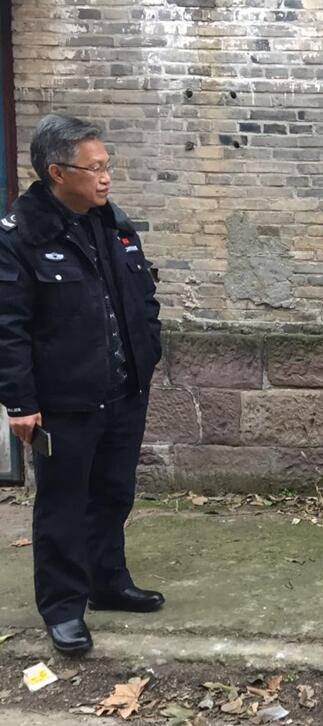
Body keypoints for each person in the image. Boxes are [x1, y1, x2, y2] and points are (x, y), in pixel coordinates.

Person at [0, 114, 164, 655]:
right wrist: (20, 402)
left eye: (107, 165)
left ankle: (107, 582)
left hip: (123, 390)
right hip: (64, 400)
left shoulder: (113, 224)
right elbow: (8, 326)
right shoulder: (21, 237)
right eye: (93, 168)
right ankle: (63, 607)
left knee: (113, 493)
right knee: (63, 505)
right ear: (57, 172)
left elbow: (143, 296)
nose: (105, 177)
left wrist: (148, 350)